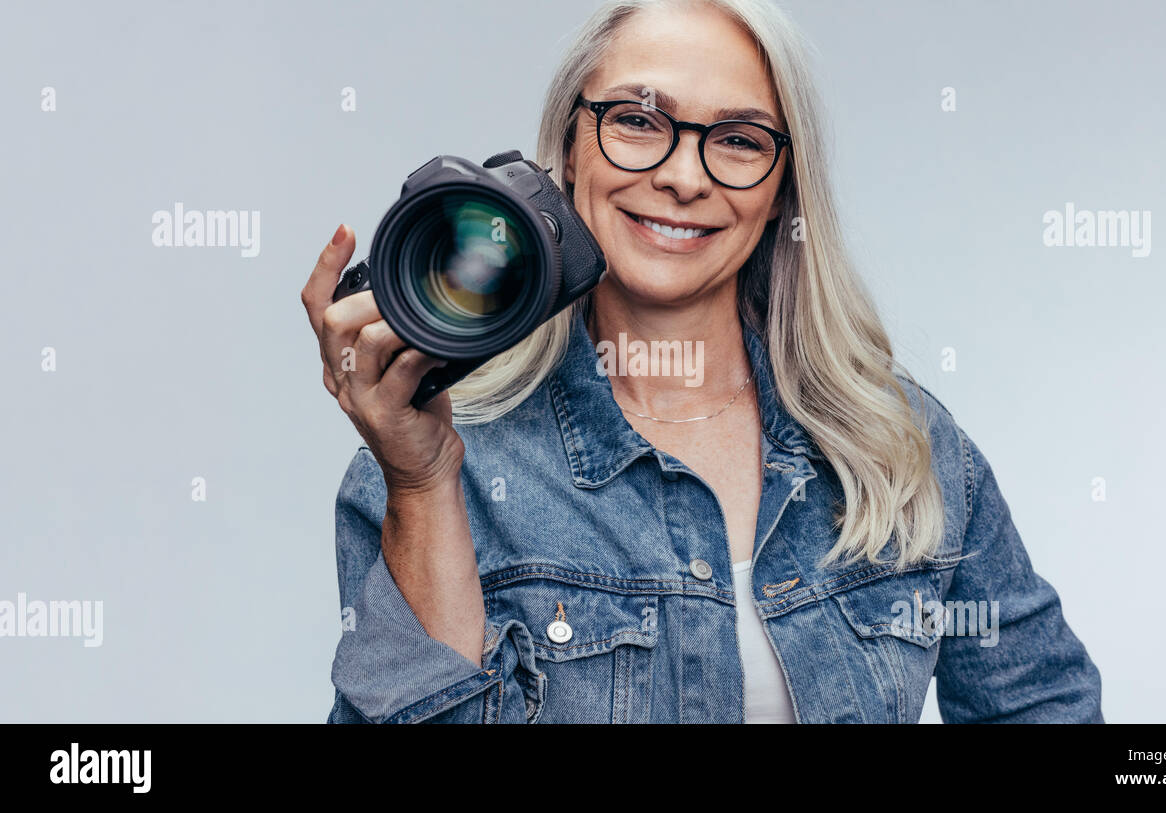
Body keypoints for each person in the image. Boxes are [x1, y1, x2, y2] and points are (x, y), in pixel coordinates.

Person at [300, 0, 1103, 723]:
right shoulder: (438, 465)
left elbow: (1044, 706)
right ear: (570, 149)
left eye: (739, 139)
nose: (684, 177)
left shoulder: (904, 444)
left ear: (783, 187)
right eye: (640, 122)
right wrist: (422, 480)